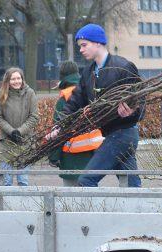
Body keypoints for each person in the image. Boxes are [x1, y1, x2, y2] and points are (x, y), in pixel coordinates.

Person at [60, 23, 143, 187]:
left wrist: (133, 110)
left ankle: (95, 213)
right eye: (80, 46)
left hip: (123, 134)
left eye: (84, 45)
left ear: (97, 43)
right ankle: (143, 210)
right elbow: (76, 100)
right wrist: (60, 125)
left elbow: (141, 97)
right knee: (131, 185)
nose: (81, 50)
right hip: (113, 134)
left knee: (86, 180)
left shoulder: (122, 67)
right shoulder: (89, 71)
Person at [49, 61, 102, 186]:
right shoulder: (89, 93)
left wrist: (53, 156)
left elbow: (58, 131)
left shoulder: (65, 99)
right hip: (92, 155)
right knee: (91, 195)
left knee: (71, 198)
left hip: (71, 158)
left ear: (62, 77)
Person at [0, 67, 39, 186]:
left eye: (18, 78)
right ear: (7, 81)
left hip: (25, 141)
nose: (16, 81)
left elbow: (34, 116)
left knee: (23, 180)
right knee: (6, 181)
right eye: (13, 79)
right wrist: (11, 131)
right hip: (6, 143)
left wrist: (20, 131)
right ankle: (6, 204)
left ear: (22, 79)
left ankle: (22, 204)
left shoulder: (30, 93)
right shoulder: (1, 94)